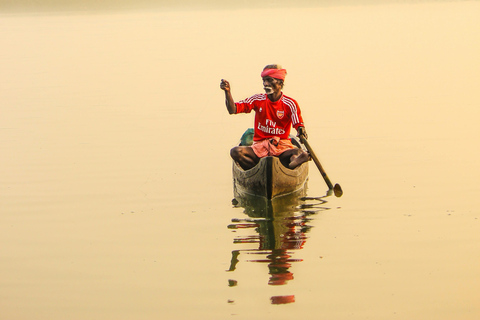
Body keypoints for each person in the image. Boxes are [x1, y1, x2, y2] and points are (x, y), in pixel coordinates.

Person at [220, 64, 310, 170]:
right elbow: (233, 109)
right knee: (235, 152)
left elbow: (298, 124)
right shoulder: (257, 99)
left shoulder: (290, 103)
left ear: (280, 83)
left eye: (270, 80)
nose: (266, 84)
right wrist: (227, 92)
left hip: (281, 147)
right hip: (259, 147)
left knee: (297, 152)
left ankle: (293, 163)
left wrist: (301, 130)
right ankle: (258, 170)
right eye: (264, 80)